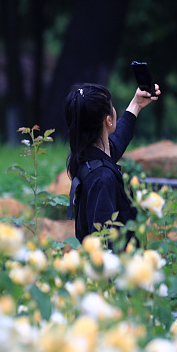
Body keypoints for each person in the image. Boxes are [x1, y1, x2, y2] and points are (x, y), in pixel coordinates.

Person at [65, 82, 161, 246]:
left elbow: (116, 142)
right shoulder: (103, 178)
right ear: (108, 120)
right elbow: (103, 242)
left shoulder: (87, 159)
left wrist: (136, 104)